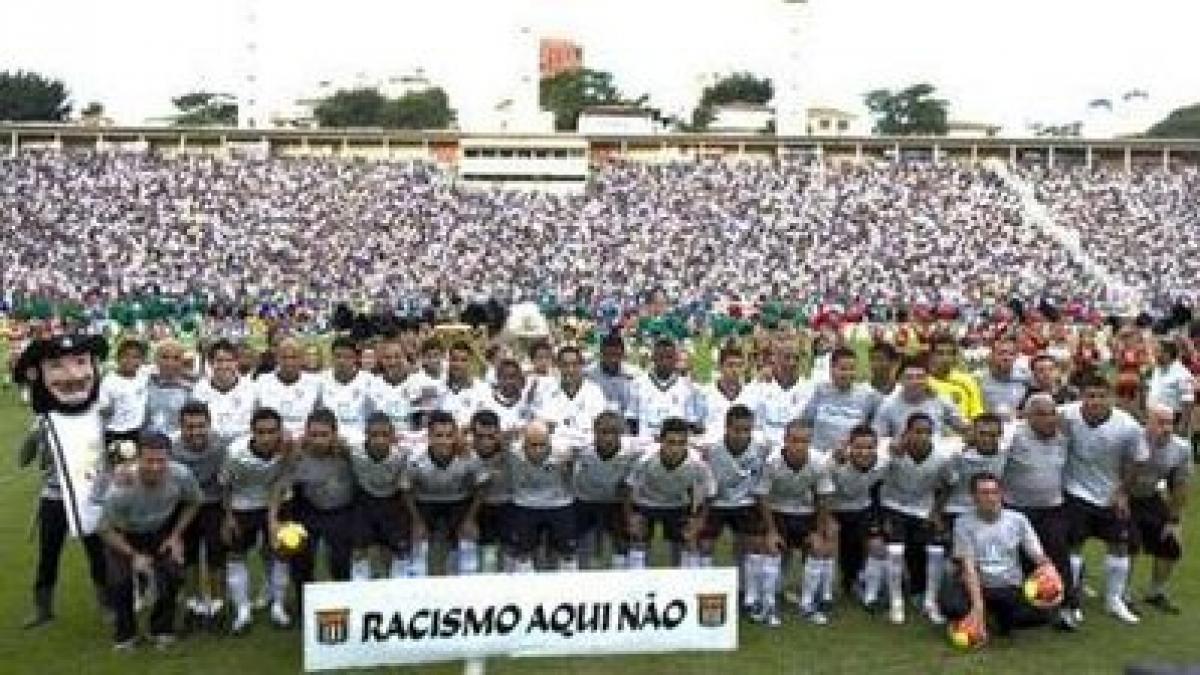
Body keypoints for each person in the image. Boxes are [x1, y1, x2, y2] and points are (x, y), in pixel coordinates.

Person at [97, 432, 201, 650]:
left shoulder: (182, 476)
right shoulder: (121, 488)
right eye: (149, 461)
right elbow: (104, 529)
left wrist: (176, 535)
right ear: (138, 459)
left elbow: (194, 502)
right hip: (122, 534)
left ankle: (161, 629)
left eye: (161, 460)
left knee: (173, 572)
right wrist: (133, 555)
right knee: (120, 582)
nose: (155, 467)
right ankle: (125, 636)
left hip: (160, 532)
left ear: (169, 458)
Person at [1061, 372, 1148, 625]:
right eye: (1090, 396)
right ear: (1081, 397)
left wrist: (1122, 492)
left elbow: (1138, 460)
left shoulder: (1128, 425)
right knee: (1074, 546)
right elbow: (1037, 417)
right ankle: (1072, 600)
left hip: (1110, 494)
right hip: (1075, 490)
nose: (1096, 401)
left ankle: (1114, 600)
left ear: (1110, 398)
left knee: (1120, 546)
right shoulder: (1067, 414)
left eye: (1101, 396)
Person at [941, 473, 1059, 640]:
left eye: (994, 492)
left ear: (1001, 494)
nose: (990, 497)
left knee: (1042, 615)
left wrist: (1049, 569)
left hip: (1010, 587)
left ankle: (995, 618)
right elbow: (969, 568)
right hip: (979, 586)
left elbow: (1037, 554)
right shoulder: (963, 523)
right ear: (974, 497)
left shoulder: (1018, 520)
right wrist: (978, 605)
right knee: (951, 606)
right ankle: (982, 615)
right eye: (984, 493)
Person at [1001, 394, 1076, 630]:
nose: (1049, 419)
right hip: (1017, 508)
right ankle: (1021, 606)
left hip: (1052, 507)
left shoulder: (1063, 439)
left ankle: (1066, 607)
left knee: (1057, 555)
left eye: (1052, 413)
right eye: (1041, 414)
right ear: (1028, 417)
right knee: (1019, 560)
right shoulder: (1013, 435)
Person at [269, 408, 356, 609]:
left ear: (334, 434)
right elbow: (279, 488)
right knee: (301, 559)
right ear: (306, 433)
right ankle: (304, 605)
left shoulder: (348, 453)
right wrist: (273, 521)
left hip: (341, 511)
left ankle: (343, 602)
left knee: (340, 561)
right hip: (309, 511)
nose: (318, 440)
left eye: (324, 435)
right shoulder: (296, 457)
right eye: (313, 434)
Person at [753, 420, 836, 626]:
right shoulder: (772, 462)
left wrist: (819, 531)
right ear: (785, 440)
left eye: (805, 441)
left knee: (818, 548)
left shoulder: (819, 462)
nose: (799, 445)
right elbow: (762, 497)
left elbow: (824, 497)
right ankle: (768, 606)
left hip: (805, 512)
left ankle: (808, 606)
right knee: (772, 549)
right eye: (794, 440)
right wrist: (771, 531)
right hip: (778, 511)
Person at [878, 413, 957, 625]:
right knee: (895, 550)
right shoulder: (894, 452)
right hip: (893, 506)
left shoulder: (941, 458)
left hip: (923, 510)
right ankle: (896, 602)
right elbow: (876, 478)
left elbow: (949, 484)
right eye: (918, 431)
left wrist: (937, 512)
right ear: (907, 433)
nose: (923, 436)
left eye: (927, 432)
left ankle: (930, 602)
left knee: (936, 550)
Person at [221, 408, 292, 633]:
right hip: (242, 503)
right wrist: (228, 515)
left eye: (272, 431)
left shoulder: (287, 448)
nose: (266, 437)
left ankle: (278, 605)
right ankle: (243, 611)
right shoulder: (235, 453)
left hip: (277, 501)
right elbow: (225, 484)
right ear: (252, 432)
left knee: (280, 550)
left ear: (280, 431)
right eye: (261, 432)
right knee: (236, 554)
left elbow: (281, 482)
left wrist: (273, 520)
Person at [697, 405, 772, 608]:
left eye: (747, 430)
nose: (741, 435)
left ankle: (750, 595)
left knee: (754, 544)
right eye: (737, 430)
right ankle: (703, 590)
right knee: (704, 545)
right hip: (717, 502)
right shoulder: (710, 449)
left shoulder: (762, 448)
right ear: (726, 428)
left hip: (745, 502)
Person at [402, 410, 490, 576]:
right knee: (418, 540)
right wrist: (417, 522)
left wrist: (470, 519)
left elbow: (481, 487)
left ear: (455, 435)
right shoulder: (415, 459)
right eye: (439, 435)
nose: (444, 441)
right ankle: (417, 582)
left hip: (459, 501)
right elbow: (406, 490)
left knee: (468, 538)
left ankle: (465, 579)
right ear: (429, 436)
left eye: (449, 435)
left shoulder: (468, 455)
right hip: (425, 502)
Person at [623, 416, 715, 569]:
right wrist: (630, 517)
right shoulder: (645, 460)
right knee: (637, 538)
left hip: (678, 503)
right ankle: (636, 585)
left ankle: (684, 583)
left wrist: (700, 521)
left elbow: (710, 493)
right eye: (671, 443)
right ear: (661, 441)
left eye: (681, 443)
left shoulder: (698, 463)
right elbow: (628, 488)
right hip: (647, 503)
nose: (675, 449)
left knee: (689, 540)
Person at [171, 401, 228, 629]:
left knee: (216, 557)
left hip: (213, 505)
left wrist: (229, 514)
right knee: (189, 559)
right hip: (185, 507)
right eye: (189, 427)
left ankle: (218, 607)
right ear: (181, 427)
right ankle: (193, 606)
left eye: (200, 425)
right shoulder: (173, 451)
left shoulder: (220, 447)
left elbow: (226, 483)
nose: (195, 431)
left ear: (209, 424)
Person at [1130, 404, 1192, 614]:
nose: (1166, 428)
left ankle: (1156, 592)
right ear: (1147, 422)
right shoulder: (1131, 439)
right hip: (1122, 494)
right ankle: (1122, 594)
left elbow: (1180, 484)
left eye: (1170, 423)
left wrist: (1173, 520)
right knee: (1130, 541)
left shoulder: (1181, 448)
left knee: (1171, 543)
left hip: (1149, 496)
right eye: (1160, 422)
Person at [571, 411, 644, 569]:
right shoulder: (580, 448)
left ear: (622, 433)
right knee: (580, 543)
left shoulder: (634, 448)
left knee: (624, 541)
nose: (609, 438)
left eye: (614, 433)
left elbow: (659, 445)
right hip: (585, 500)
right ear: (594, 433)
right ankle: (583, 577)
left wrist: (631, 514)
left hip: (615, 501)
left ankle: (622, 578)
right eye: (604, 433)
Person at [830, 425, 889, 608]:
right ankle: (828, 589)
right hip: (834, 509)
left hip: (864, 508)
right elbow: (818, 494)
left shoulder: (884, 462)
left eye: (870, 447)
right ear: (849, 447)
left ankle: (869, 591)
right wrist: (826, 519)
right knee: (834, 543)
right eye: (858, 447)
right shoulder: (833, 464)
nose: (864, 452)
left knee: (877, 546)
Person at [508, 420, 579, 573]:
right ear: (524, 444)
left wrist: (571, 465)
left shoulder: (564, 452)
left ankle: (569, 591)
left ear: (550, 442)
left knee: (567, 554)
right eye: (533, 445)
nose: (538, 450)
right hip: (525, 504)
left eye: (543, 445)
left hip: (560, 504)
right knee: (522, 554)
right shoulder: (513, 450)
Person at [349, 413, 410, 580]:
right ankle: (359, 588)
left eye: (385, 435)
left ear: (392, 436)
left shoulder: (403, 454)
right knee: (359, 548)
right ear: (366, 435)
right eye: (374, 435)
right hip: (364, 501)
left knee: (395, 549)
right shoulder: (353, 451)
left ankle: (395, 586)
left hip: (392, 502)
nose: (380, 440)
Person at [801, 347, 881, 452]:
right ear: (832, 369)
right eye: (843, 369)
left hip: (851, 458)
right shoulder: (821, 391)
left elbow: (878, 428)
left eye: (852, 368)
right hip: (819, 456)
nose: (848, 373)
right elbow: (805, 422)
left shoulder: (868, 396)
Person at [872, 355, 967, 439]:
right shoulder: (888, 405)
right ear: (900, 380)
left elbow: (963, 427)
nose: (915, 381)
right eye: (909, 377)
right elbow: (877, 437)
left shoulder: (941, 400)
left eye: (920, 377)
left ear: (927, 379)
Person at [629, 337, 702, 439]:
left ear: (676, 359)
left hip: (676, 447)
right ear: (653, 358)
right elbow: (632, 420)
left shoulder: (687, 386)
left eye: (669, 357)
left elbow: (691, 422)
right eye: (660, 357)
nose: (664, 362)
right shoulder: (638, 383)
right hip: (646, 447)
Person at [254, 338, 322, 441]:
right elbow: (256, 415)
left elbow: (319, 418)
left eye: (293, 357)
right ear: (277, 358)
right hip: (270, 441)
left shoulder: (315, 383)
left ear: (301, 359)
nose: (289, 362)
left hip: (304, 442)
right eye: (284, 357)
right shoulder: (262, 381)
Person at [318, 337, 373, 446]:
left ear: (356, 359)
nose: (341, 361)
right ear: (331, 357)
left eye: (347, 357)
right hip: (329, 444)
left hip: (360, 443)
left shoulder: (369, 381)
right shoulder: (320, 380)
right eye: (338, 356)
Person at [759, 340, 814, 446]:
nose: (792, 362)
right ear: (776, 359)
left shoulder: (809, 389)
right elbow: (756, 424)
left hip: (795, 449)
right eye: (787, 357)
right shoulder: (762, 385)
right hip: (765, 448)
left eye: (796, 358)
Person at [99, 338, 150, 449]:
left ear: (142, 360)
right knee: (120, 464)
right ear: (118, 358)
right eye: (125, 356)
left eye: (136, 357)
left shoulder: (144, 375)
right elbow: (103, 410)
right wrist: (107, 409)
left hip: (138, 430)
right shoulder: (109, 381)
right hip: (116, 432)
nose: (130, 360)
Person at [143, 339, 196, 442]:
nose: (170, 363)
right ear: (156, 360)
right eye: (165, 357)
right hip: (148, 444)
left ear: (182, 362)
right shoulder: (146, 383)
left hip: (178, 444)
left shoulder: (190, 390)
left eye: (176, 358)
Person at [927, 335, 984, 421]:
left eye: (949, 354)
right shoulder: (923, 383)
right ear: (932, 356)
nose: (945, 358)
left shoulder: (967, 381)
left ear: (954, 357)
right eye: (940, 353)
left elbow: (977, 416)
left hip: (961, 432)